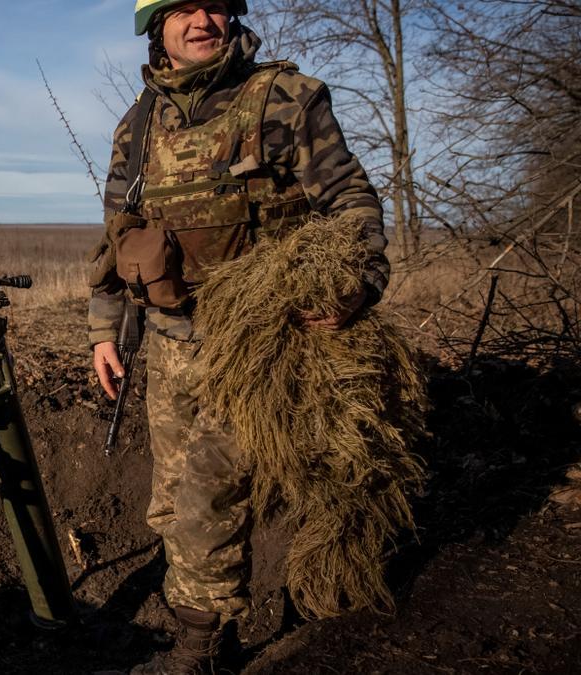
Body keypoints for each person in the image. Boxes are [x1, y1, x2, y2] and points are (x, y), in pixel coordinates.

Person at [86, 1, 390, 672]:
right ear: (156, 26)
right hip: (173, 349)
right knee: (182, 500)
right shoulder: (137, 126)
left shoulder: (285, 98)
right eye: (184, 8)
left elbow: (351, 201)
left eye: (216, 5)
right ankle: (207, 627)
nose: (203, 19)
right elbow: (116, 238)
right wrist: (106, 332)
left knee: (262, 491)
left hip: (272, 347)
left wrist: (356, 281)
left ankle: (265, 629)